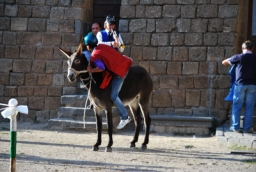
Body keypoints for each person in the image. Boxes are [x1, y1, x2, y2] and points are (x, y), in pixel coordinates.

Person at [84, 33, 132, 129]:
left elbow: (101, 67)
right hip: (124, 62)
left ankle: (125, 116)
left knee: (113, 96)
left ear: (88, 46)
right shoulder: (101, 46)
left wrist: (91, 70)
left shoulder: (94, 55)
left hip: (120, 71)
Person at [222, 40, 256, 133]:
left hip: (240, 84)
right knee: (249, 107)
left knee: (237, 106)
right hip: (253, 85)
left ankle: (235, 127)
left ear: (242, 48)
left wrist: (230, 59)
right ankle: (247, 128)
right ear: (252, 48)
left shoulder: (238, 57)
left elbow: (224, 62)